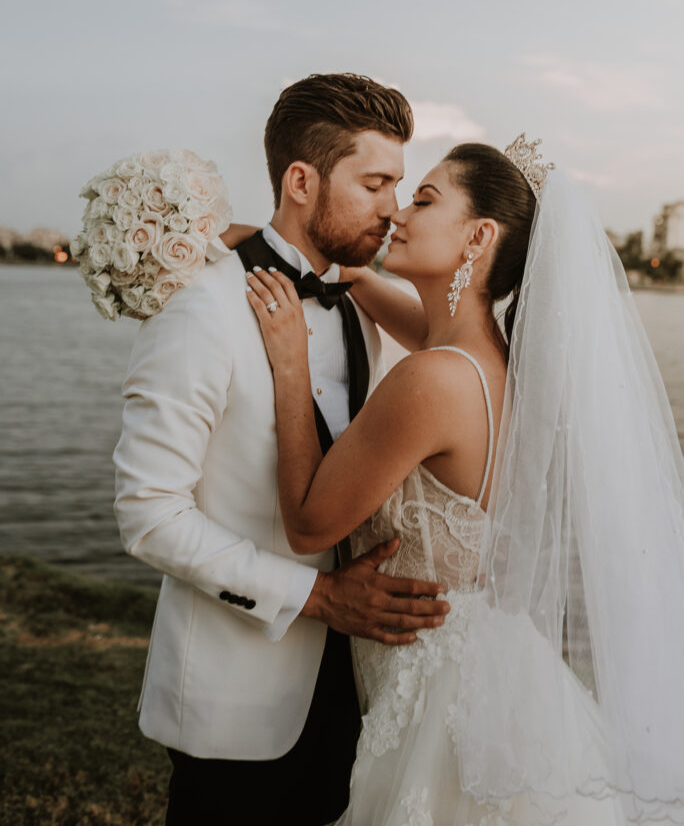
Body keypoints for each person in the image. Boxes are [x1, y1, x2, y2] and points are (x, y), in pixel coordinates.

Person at [245, 137, 684, 824]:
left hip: (442, 708)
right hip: (502, 671)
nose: (398, 216)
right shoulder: (489, 364)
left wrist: (291, 365)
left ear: (479, 235)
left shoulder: (431, 380)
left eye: (423, 199)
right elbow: (424, 324)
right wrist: (336, 270)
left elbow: (307, 522)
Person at [112, 73, 451, 826]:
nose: (392, 209)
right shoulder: (200, 312)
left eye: (397, 185)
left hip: (361, 687)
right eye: (374, 184)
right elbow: (148, 515)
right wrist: (319, 597)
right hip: (236, 704)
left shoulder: (360, 304)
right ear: (301, 180)